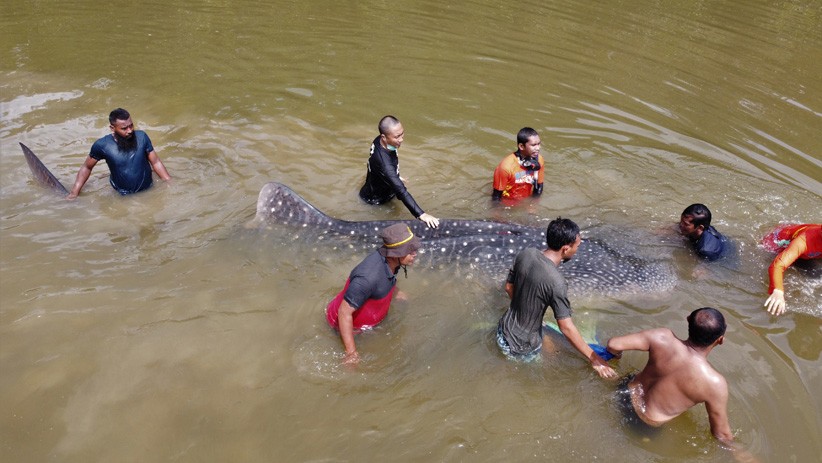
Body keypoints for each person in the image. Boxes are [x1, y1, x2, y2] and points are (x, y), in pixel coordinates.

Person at [606, 308, 755, 460]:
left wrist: (616, 357)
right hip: (644, 426)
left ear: (688, 319)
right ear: (720, 340)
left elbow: (614, 344)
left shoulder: (662, 337)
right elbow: (721, 434)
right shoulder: (714, 383)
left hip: (622, 393)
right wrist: (741, 453)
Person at [497, 217, 617, 379]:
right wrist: (595, 359)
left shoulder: (526, 253)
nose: (577, 251)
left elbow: (508, 287)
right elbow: (566, 327)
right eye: (577, 246)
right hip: (521, 349)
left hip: (502, 331)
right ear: (566, 249)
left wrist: (526, 312)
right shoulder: (557, 282)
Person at [326, 223, 421, 364]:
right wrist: (351, 353)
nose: (415, 254)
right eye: (410, 251)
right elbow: (344, 312)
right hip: (345, 326)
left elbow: (384, 279)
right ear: (396, 254)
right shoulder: (367, 279)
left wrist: (395, 292)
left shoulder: (391, 262)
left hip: (371, 321)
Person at [67, 108, 171, 199]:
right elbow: (87, 167)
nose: (129, 130)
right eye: (124, 128)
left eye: (131, 126)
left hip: (149, 190)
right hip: (122, 194)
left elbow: (156, 162)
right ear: (112, 128)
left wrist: (168, 181)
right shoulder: (102, 145)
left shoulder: (142, 137)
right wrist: (74, 193)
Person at [358, 116, 439, 229]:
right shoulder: (385, 165)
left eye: (402, 134)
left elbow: (372, 164)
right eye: (397, 137)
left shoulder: (379, 141)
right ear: (384, 137)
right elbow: (401, 191)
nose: (401, 139)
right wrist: (421, 214)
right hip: (377, 200)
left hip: (376, 184)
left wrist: (395, 176)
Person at [762, 223, 821, 316]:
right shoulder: (804, 241)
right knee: (816, 276)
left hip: (809, 249)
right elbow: (778, 265)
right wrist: (778, 290)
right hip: (778, 244)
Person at [491, 127, 544, 202]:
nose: (538, 148)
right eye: (533, 145)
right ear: (521, 146)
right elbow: (496, 198)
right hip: (506, 204)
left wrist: (532, 207)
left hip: (525, 202)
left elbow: (539, 187)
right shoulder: (505, 167)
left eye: (539, 144)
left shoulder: (539, 160)